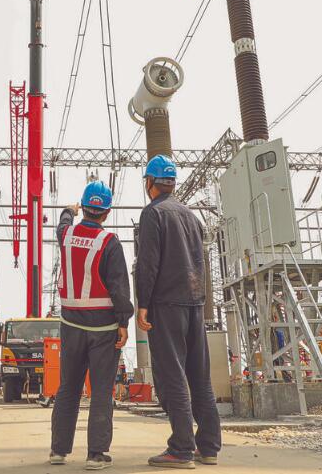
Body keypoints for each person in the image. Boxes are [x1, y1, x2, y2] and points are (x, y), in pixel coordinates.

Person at [135, 155, 221, 469]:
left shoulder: (153, 213)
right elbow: (201, 263)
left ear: (150, 182)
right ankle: (208, 447)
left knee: (172, 376)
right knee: (200, 378)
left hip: (167, 305)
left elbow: (148, 263)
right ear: (171, 182)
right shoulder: (191, 216)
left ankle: (182, 449)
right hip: (195, 304)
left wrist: (143, 304)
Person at [50, 180, 134, 470]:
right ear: (107, 213)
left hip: (71, 324)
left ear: (84, 208)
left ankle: (58, 451)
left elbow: (62, 223)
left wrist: (68, 211)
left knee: (68, 388)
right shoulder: (109, 242)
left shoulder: (66, 235)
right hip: (103, 329)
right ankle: (96, 455)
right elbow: (119, 287)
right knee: (100, 391)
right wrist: (123, 321)